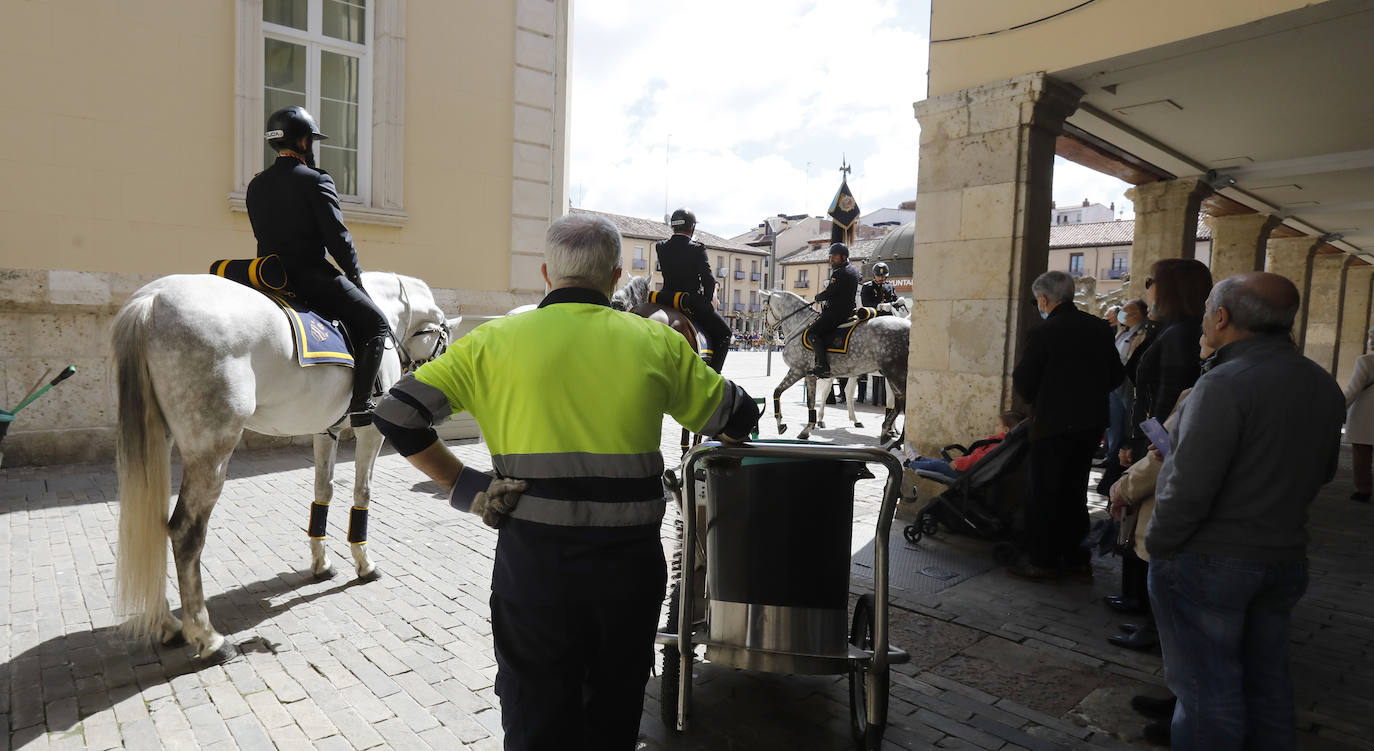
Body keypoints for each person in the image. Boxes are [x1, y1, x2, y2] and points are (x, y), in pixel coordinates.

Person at [372, 213, 760, 751]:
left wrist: (468, 487)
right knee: (615, 707)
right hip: (627, 570)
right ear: (616, 275)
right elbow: (738, 417)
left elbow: (395, 414)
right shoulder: (656, 342)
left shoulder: (492, 342)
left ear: (546, 274)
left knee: (534, 710)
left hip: (533, 567)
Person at [1147, 272, 1344, 751]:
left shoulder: (1224, 384)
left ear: (1222, 316)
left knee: (1205, 691)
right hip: (1283, 554)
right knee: (1267, 681)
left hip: (1211, 557)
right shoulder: (1321, 384)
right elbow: (1321, 472)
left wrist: (1159, 542)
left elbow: (1188, 486)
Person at [247, 105, 390, 428]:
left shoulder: (256, 185)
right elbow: (338, 238)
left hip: (269, 275)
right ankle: (361, 405)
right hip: (309, 275)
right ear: (302, 143)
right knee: (376, 325)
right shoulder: (315, 180)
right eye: (311, 140)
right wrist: (355, 277)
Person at [1106, 259, 1213, 650]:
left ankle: (1154, 625)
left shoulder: (1180, 334)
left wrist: (1137, 446)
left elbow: (1165, 401)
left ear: (1170, 289)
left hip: (1155, 444)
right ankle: (1142, 609)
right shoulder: (1172, 331)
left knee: (1148, 529)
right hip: (1150, 440)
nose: (1146, 288)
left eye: (1151, 281)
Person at [1009, 270, 1124, 580]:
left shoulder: (1044, 332)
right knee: (1074, 492)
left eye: (1038, 301)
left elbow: (1024, 381)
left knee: (1044, 493)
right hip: (1089, 426)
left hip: (1052, 425)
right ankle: (1075, 557)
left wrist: (1045, 397)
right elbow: (1116, 376)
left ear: (1044, 299)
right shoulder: (1099, 329)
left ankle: (1042, 559)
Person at [656, 208, 732, 372]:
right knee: (725, 334)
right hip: (689, 301)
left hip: (666, 298)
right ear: (692, 227)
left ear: (673, 226)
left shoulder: (660, 246)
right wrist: (706, 303)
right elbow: (708, 280)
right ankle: (714, 377)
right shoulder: (697, 248)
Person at [906, 411, 1023, 481]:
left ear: (1006, 430)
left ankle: (907, 463)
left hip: (965, 473)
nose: (995, 428)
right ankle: (918, 459)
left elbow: (978, 458)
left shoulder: (997, 445)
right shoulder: (1001, 443)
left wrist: (959, 463)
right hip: (969, 469)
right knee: (941, 461)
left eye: (998, 425)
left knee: (937, 464)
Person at [808, 242, 862, 378]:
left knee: (812, 333)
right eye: (831, 256)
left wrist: (818, 296)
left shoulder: (840, 273)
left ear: (844, 257)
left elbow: (831, 292)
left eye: (835, 257)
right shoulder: (854, 270)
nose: (831, 259)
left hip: (836, 313)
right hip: (849, 311)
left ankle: (822, 366)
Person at [1342, 327, 1374, 503]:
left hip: (1365, 415)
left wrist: (1338, 407)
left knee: (1362, 454)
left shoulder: (1365, 361)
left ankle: (1363, 490)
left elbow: (1353, 390)